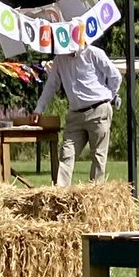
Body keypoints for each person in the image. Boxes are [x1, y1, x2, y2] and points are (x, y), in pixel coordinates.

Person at [31, 44, 121, 186]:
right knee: (66, 153)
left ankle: (95, 196)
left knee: (98, 156)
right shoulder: (59, 59)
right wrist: (38, 109)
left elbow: (115, 76)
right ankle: (61, 195)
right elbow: (51, 85)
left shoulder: (94, 53)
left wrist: (109, 96)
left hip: (98, 110)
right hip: (75, 115)